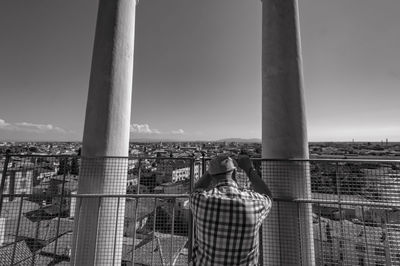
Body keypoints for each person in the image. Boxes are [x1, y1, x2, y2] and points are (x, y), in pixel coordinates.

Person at [190, 154, 272, 266]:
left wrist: (211, 170)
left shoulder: (200, 200)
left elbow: (196, 190)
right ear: (234, 173)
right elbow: (267, 196)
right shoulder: (255, 202)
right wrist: (249, 169)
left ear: (212, 176)